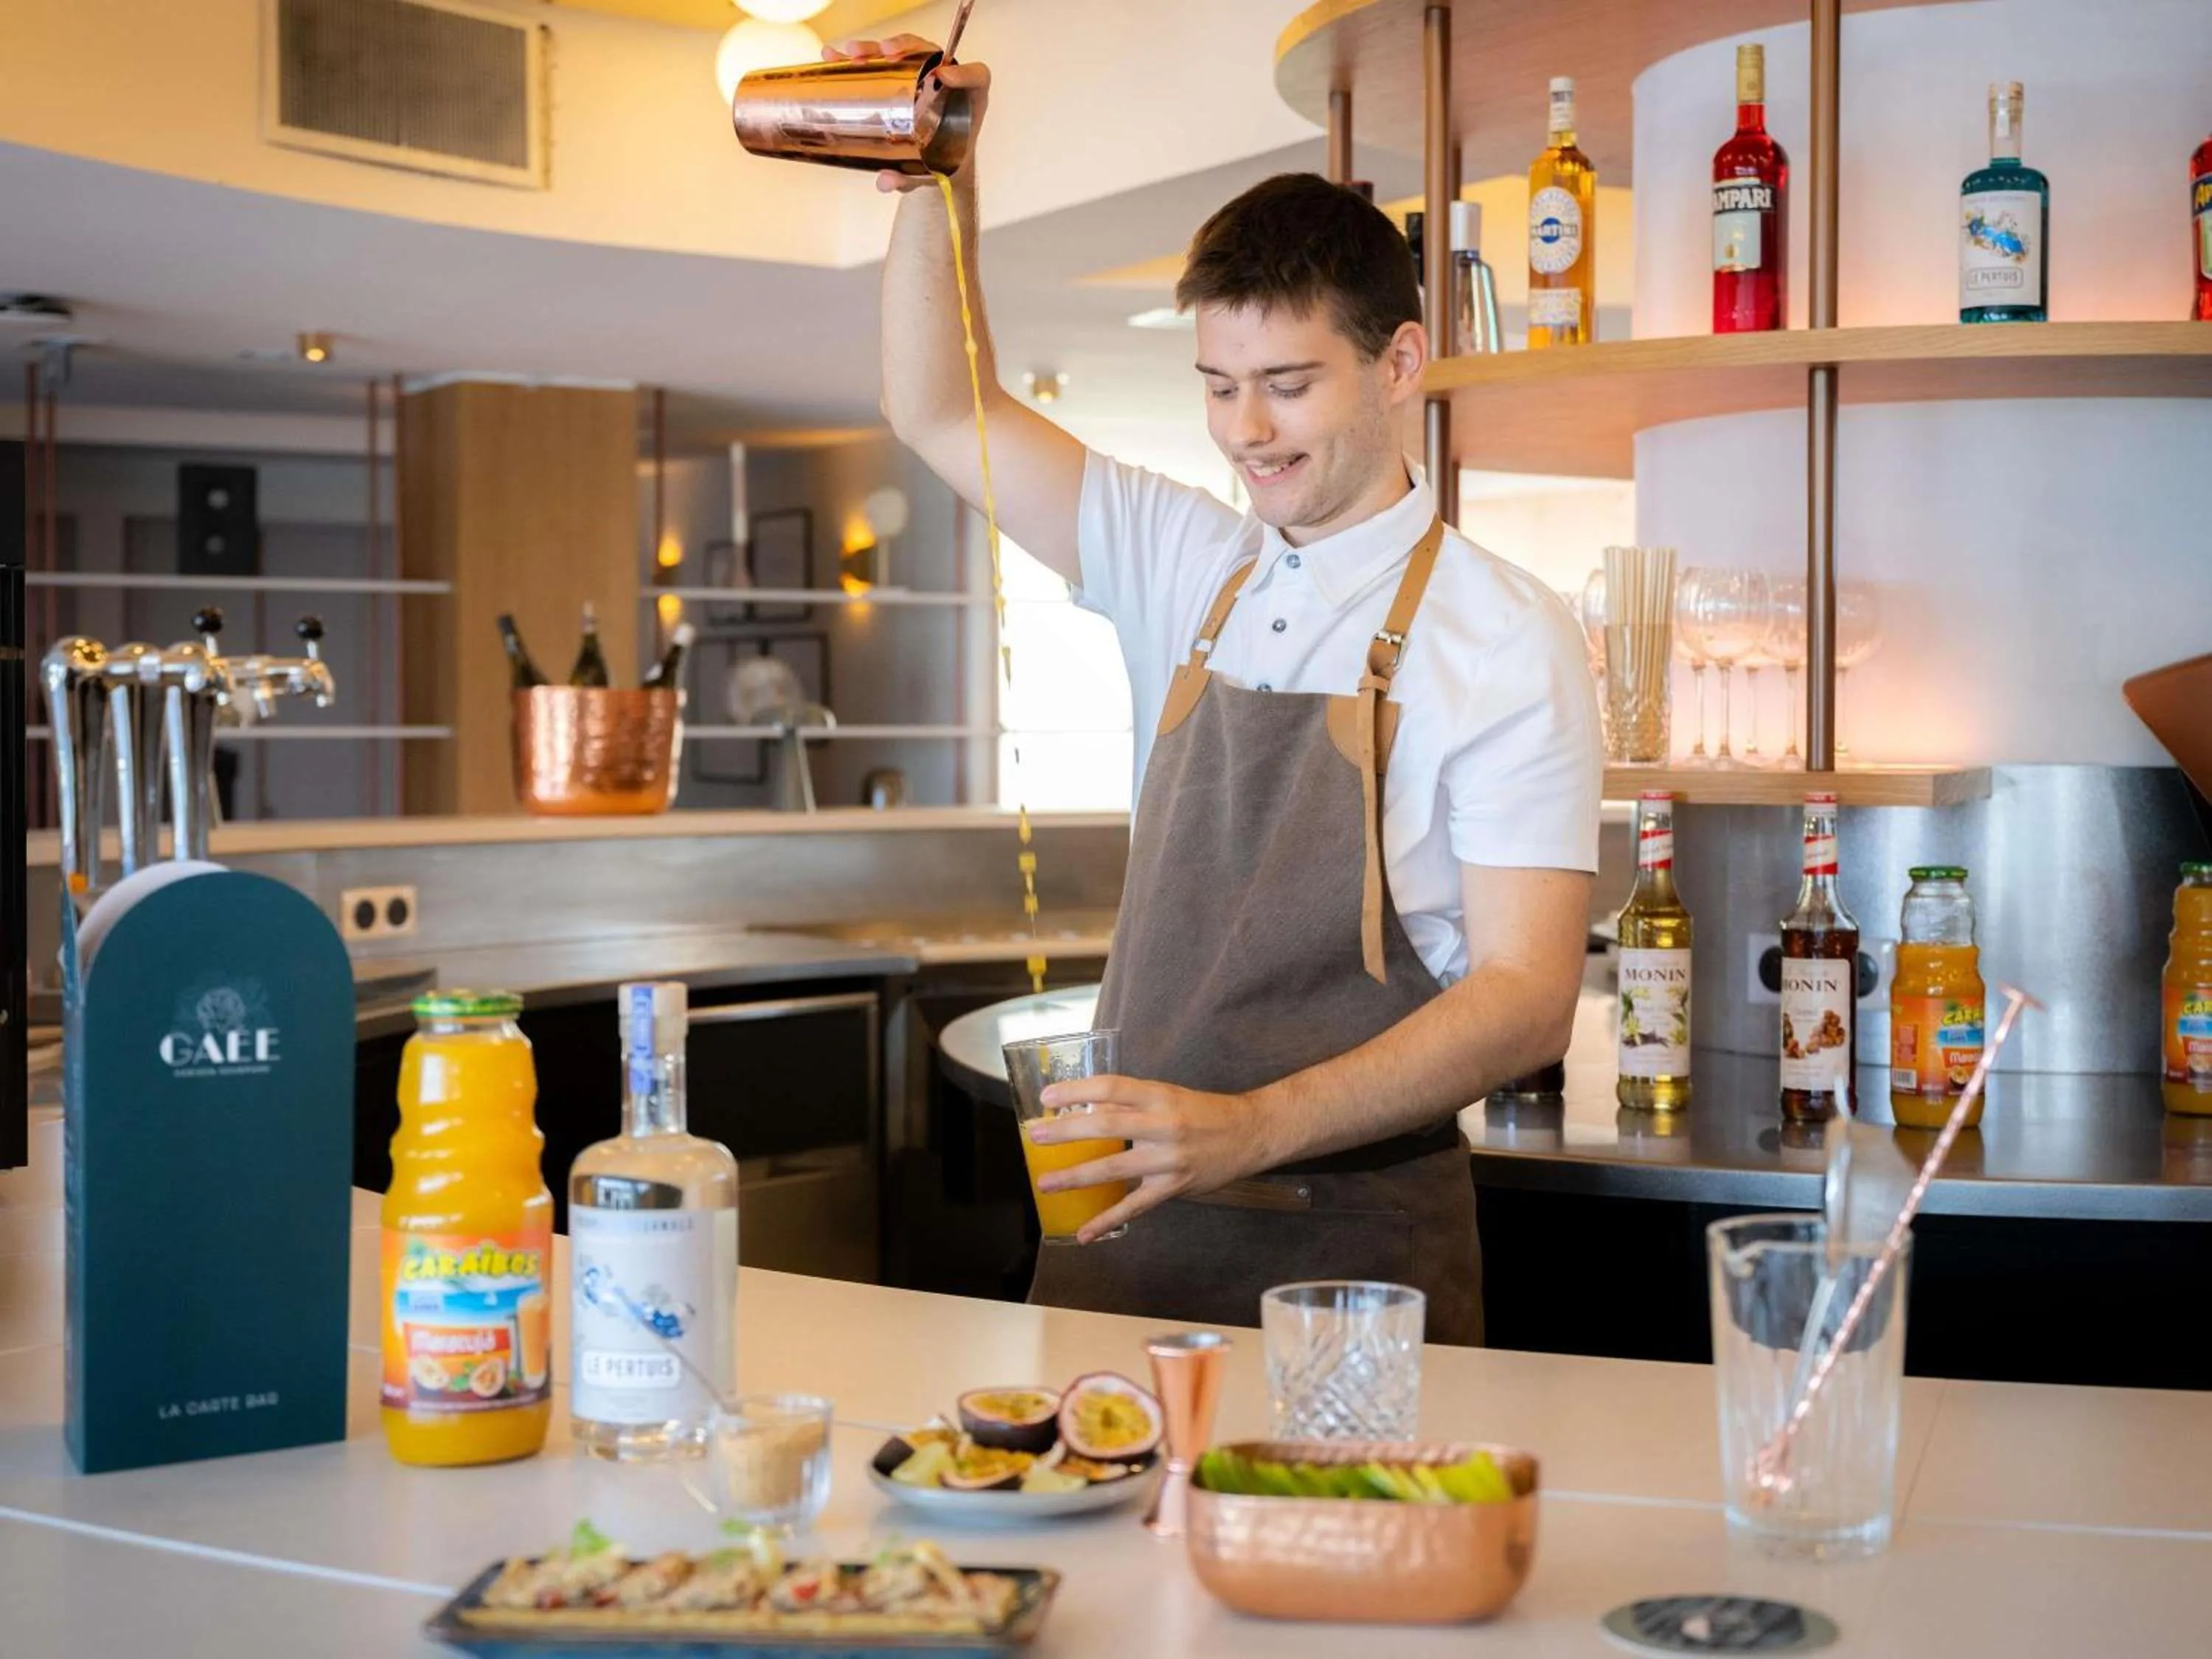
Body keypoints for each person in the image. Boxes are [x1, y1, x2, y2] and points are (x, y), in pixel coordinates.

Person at [850, 33, 1601, 1343]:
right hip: (1121, 1235)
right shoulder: (1187, 557)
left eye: (1290, 385)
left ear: (1403, 362)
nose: (1248, 430)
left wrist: (1250, 1127)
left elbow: (1528, 997)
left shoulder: (1506, 635)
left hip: (1358, 1254)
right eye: (1218, 387)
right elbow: (935, 406)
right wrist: (932, 178)